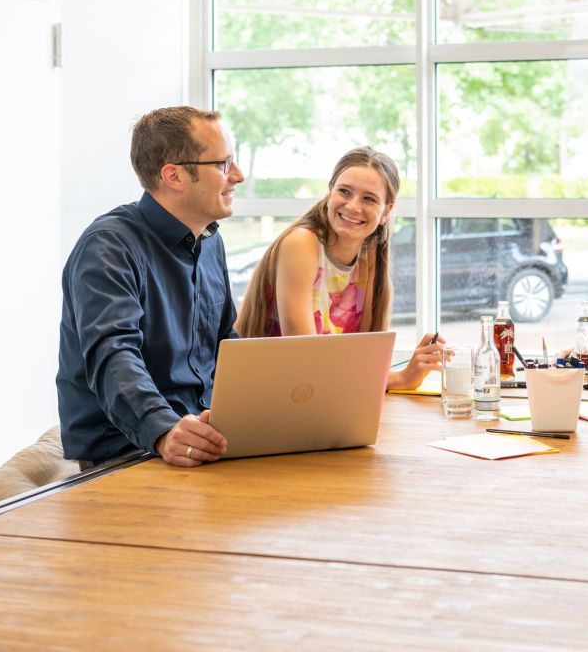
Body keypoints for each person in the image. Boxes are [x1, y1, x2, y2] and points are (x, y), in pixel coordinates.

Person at [57, 106, 243, 469]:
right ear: (174, 175)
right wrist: (163, 430)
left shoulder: (209, 240)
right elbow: (113, 355)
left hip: (198, 433)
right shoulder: (108, 246)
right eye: (223, 164)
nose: (239, 175)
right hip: (130, 450)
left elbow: (225, 343)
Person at [235, 147, 443, 390]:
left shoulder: (370, 254)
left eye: (369, 198)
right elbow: (305, 360)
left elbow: (364, 362)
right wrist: (400, 379)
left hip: (319, 398)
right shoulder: (301, 243)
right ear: (330, 192)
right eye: (344, 191)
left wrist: (405, 373)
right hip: (266, 393)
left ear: (386, 211)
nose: (353, 207)